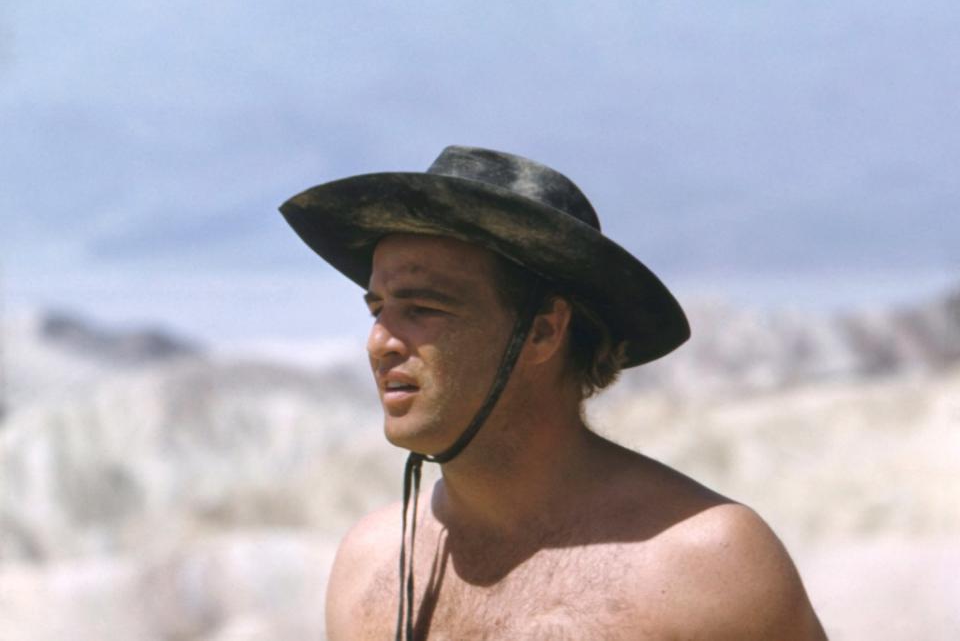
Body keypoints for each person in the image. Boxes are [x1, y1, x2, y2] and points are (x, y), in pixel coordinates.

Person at [280, 146, 826, 640]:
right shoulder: (373, 563)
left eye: (422, 308)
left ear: (543, 331)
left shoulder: (704, 562)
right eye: (378, 310)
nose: (380, 342)